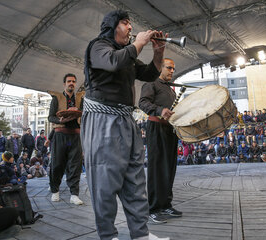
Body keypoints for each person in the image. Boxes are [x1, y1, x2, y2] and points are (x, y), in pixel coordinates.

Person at [81, 10, 169, 240]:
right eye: (125, 23)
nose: (130, 28)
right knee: (105, 181)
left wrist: (158, 52)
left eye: (130, 24)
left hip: (125, 120)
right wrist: (139, 43)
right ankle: (108, 236)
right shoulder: (98, 47)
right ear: (112, 26)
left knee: (135, 179)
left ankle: (140, 234)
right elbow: (112, 62)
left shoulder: (126, 54)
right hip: (102, 121)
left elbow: (149, 73)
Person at [139, 57, 183, 224]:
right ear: (161, 68)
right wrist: (159, 110)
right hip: (156, 128)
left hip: (170, 130)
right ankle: (153, 208)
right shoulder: (151, 83)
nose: (172, 71)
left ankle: (165, 205)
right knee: (157, 169)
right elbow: (142, 102)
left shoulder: (170, 90)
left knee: (169, 168)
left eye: (173, 68)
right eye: (169, 68)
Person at [47, 73, 84, 206]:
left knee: (75, 165)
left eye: (73, 81)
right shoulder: (57, 98)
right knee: (57, 163)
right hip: (60, 135)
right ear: (64, 84)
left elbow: (84, 115)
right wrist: (60, 119)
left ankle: (74, 194)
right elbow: (50, 117)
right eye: (69, 81)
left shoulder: (80, 98)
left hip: (74, 135)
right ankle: (55, 190)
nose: (71, 83)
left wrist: (78, 113)